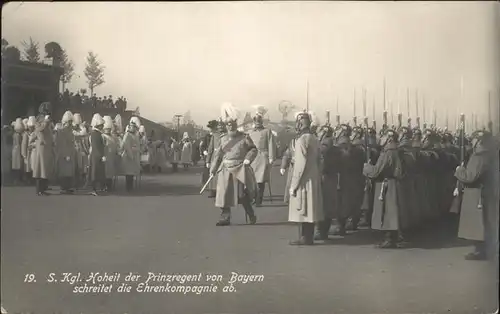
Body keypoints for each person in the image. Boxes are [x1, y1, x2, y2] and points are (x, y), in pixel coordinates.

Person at [209, 102, 258, 226]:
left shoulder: (244, 137)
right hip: (225, 169)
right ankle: (225, 217)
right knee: (224, 194)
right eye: (228, 124)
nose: (230, 126)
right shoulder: (223, 139)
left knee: (242, 195)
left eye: (232, 124)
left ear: (236, 124)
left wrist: (248, 158)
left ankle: (250, 213)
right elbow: (218, 155)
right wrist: (213, 168)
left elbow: (253, 149)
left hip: (239, 168)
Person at [455, 130, 498, 260]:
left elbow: (471, 177)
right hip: (483, 192)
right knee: (485, 222)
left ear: (478, 141)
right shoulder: (487, 154)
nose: (472, 141)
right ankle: (482, 249)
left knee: (478, 224)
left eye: (474, 139)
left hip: (476, 194)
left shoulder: (479, 156)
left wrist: (459, 171)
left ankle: (480, 251)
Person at [363, 128, 407, 248]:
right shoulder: (397, 151)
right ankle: (393, 237)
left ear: (388, 139)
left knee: (387, 212)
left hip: (387, 184)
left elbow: (376, 172)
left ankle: (389, 239)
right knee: (392, 212)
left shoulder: (387, 153)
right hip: (395, 184)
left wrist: (367, 168)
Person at [288, 111, 323, 245]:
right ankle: (309, 236)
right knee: (311, 209)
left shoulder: (301, 140)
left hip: (303, 180)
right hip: (313, 177)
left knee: (303, 208)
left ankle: (304, 237)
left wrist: (294, 185)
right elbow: (320, 160)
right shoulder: (314, 138)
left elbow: (300, 165)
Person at [248, 105, 277, 207]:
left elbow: (271, 144)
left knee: (261, 180)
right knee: (251, 179)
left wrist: (271, 157)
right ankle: (252, 197)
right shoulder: (249, 133)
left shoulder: (267, 131)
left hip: (263, 157)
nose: (257, 123)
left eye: (259, 122)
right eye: (255, 122)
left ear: (261, 122)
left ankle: (258, 199)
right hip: (252, 158)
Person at [32, 102, 55, 196]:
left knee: (45, 168)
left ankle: (43, 188)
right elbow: (39, 129)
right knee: (40, 168)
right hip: (42, 147)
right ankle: (39, 190)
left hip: (47, 147)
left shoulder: (47, 120)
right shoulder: (39, 119)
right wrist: (45, 121)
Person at [56, 111, 77, 194]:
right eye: (69, 122)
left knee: (69, 171)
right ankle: (64, 188)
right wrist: (65, 155)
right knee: (64, 171)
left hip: (70, 153)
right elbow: (62, 144)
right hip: (64, 154)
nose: (70, 124)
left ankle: (67, 187)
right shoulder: (62, 132)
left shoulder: (69, 131)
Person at [121, 117, 141, 192]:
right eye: (133, 127)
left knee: (132, 172)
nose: (134, 128)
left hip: (134, 156)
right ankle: (128, 187)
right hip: (128, 156)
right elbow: (126, 146)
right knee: (129, 173)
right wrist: (131, 155)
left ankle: (130, 187)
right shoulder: (127, 135)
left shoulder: (135, 135)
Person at [206, 120, 226, 198]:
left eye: (222, 126)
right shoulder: (214, 135)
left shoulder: (228, 135)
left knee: (222, 174)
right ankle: (213, 191)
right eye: (219, 126)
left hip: (224, 157)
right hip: (215, 156)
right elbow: (210, 148)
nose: (220, 127)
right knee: (213, 174)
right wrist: (208, 160)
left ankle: (221, 191)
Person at [88, 113, 106, 196]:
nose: (102, 126)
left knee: (97, 173)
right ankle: (93, 189)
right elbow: (96, 146)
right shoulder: (95, 134)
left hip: (96, 155)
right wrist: (101, 155)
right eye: (101, 125)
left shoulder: (96, 133)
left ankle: (96, 188)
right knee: (95, 173)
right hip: (96, 156)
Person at [102, 115, 119, 192]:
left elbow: (115, 146)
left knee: (110, 172)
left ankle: (109, 186)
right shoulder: (102, 136)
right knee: (105, 172)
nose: (108, 130)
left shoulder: (113, 137)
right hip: (105, 157)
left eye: (109, 129)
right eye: (106, 129)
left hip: (111, 157)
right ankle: (104, 186)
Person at [72, 113, 89, 189]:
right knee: (77, 167)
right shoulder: (73, 131)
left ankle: (81, 182)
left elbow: (84, 135)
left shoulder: (81, 130)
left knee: (82, 168)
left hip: (82, 150)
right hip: (75, 150)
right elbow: (81, 134)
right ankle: (76, 183)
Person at [21, 116, 36, 184]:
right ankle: (28, 179)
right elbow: (24, 144)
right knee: (28, 166)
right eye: (30, 126)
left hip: (34, 152)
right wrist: (24, 154)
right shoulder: (26, 134)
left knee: (33, 166)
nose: (31, 128)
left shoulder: (35, 133)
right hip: (28, 152)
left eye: (32, 126)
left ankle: (32, 179)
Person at [11, 118, 24, 185]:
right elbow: (19, 144)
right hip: (18, 151)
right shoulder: (18, 135)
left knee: (16, 166)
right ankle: (17, 180)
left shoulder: (14, 134)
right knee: (18, 166)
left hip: (15, 151)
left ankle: (16, 180)